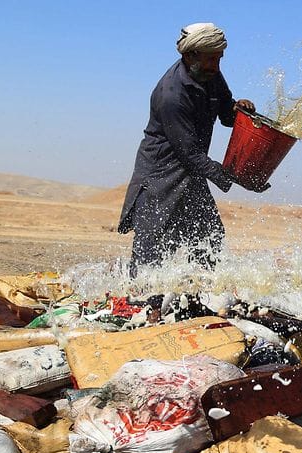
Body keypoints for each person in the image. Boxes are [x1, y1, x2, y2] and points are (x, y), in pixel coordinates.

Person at [118, 23, 259, 277]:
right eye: (210, 60)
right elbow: (190, 153)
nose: (216, 66)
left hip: (192, 173)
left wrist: (239, 109)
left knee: (209, 241)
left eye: (219, 59)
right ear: (189, 55)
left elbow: (226, 115)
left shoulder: (210, 74)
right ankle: (136, 302)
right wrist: (235, 178)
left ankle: (200, 296)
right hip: (160, 177)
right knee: (149, 258)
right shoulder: (171, 94)